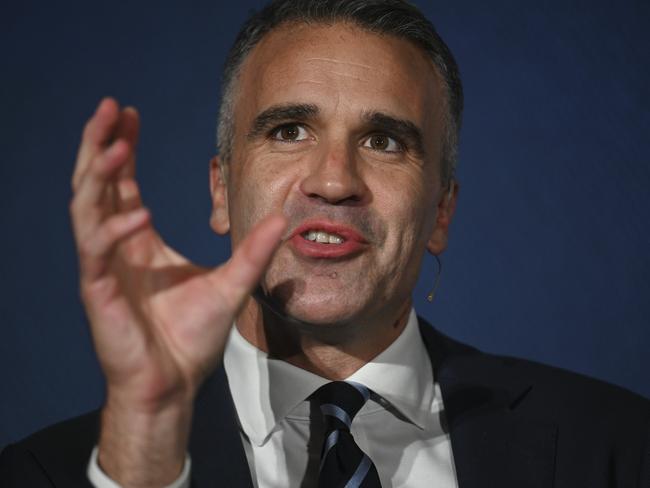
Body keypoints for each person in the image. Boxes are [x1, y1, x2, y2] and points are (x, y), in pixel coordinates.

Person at [1, 0, 648, 487]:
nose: (335, 180)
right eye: (288, 130)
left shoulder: (619, 448)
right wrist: (147, 435)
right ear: (222, 190)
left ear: (442, 211)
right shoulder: (38, 473)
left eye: (384, 141)